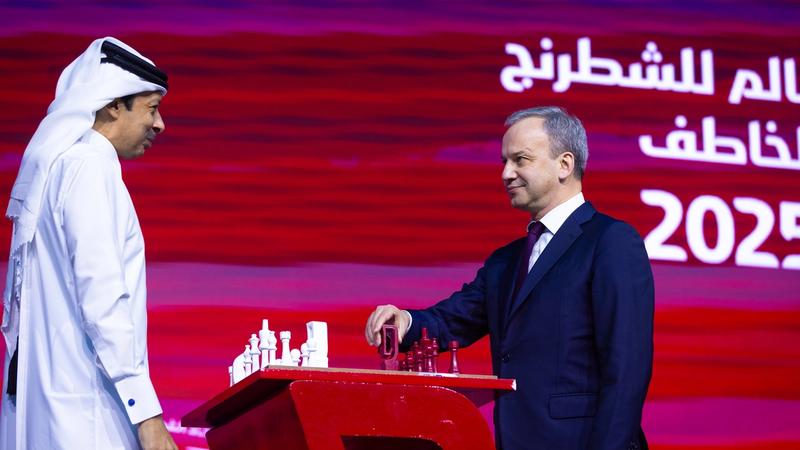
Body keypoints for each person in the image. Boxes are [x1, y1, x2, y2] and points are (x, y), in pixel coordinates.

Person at [366, 106, 654, 450]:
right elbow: (453, 320)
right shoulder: (505, 261)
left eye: (520, 160)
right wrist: (406, 321)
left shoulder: (610, 241)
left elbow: (627, 368)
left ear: (564, 164)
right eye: (504, 161)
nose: (506, 173)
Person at [0, 38, 177, 450]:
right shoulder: (88, 167)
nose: (159, 125)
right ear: (113, 104)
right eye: (151, 108)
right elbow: (102, 299)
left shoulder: (57, 168)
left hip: (53, 409)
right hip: (89, 416)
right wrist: (147, 414)